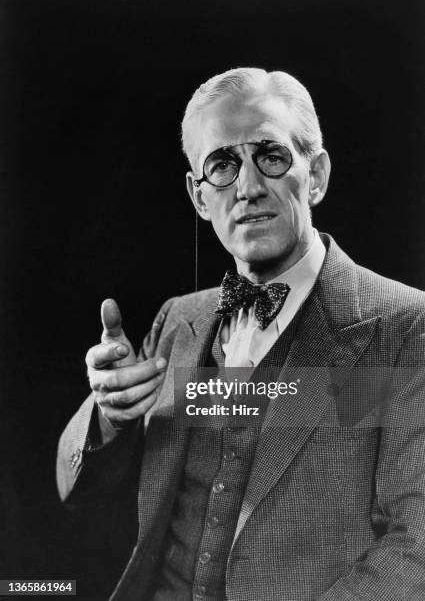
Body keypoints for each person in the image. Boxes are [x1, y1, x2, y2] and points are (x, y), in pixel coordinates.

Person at [57, 67, 425, 600]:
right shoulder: (177, 322)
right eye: (223, 165)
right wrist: (109, 420)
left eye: (270, 157)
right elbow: (80, 492)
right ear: (200, 198)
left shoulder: (406, 327)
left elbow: (418, 544)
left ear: (315, 174)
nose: (249, 187)